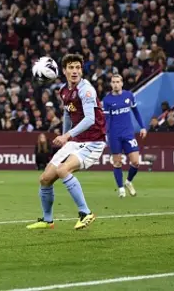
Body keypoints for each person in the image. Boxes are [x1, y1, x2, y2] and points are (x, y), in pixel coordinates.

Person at [26, 53, 105, 231]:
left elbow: (90, 119)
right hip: (75, 141)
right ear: (64, 70)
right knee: (45, 179)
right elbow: (68, 114)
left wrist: (67, 135)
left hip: (93, 141)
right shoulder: (64, 90)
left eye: (78, 67)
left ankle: (85, 213)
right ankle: (47, 220)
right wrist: (64, 138)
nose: (75, 71)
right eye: (71, 67)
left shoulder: (86, 90)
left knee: (63, 170)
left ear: (81, 70)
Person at [102, 74, 146, 198]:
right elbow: (106, 119)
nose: (116, 84)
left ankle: (128, 181)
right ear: (111, 84)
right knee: (117, 163)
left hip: (128, 133)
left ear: (122, 83)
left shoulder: (129, 96)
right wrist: (105, 134)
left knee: (136, 162)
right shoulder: (107, 100)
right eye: (113, 82)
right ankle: (121, 188)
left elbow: (136, 112)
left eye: (118, 81)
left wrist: (142, 126)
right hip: (114, 135)